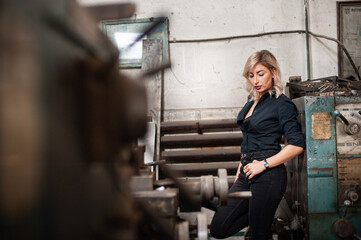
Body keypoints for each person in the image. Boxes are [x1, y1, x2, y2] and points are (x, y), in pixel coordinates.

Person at [210, 50, 305, 240]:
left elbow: (297, 144)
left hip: (268, 174)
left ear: (273, 72)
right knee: (218, 228)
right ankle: (261, 220)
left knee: (257, 235)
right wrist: (240, 171)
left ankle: (260, 223)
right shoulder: (251, 102)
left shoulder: (282, 104)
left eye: (261, 74)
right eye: (251, 75)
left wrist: (264, 164)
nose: (255, 80)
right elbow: (248, 141)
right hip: (247, 172)